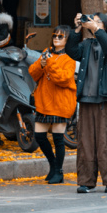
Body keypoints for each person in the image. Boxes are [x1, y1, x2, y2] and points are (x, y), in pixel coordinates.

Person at [66, 12, 107, 193]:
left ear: (105, 26)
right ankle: (86, 181)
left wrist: (97, 30)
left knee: (106, 141)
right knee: (86, 142)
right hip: (86, 99)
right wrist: (77, 29)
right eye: (92, 21)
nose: (93, 24)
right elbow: (71, 50)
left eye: (98, 22)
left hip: (105, 99)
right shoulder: (87, 44)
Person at [28, 26, 77, 184]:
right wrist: (41, 64)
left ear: (67, 40)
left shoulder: (69, 59)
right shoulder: (46, 52)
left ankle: (59, 171)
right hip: (44, 101)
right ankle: (53, 165)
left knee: (58, 139)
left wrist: (48, 63)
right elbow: (33, 73)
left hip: (60, 103)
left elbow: (63, 79)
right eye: (55, 35)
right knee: (40, 136)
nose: (56, 38)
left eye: (61, 36)